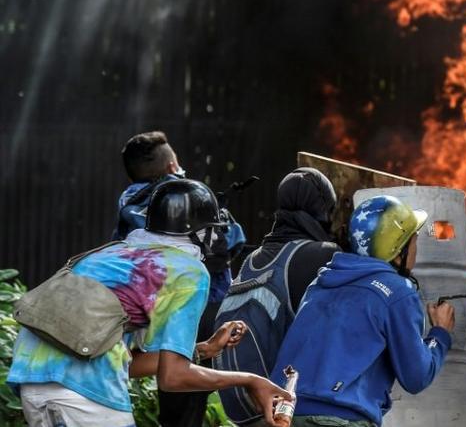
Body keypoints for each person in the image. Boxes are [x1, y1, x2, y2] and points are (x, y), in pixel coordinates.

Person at [8, 179, 290, 427]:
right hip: (85, 391)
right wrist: (250, 380)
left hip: (32, 379)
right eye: (213, 230)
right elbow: (173, 379)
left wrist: (202, 350)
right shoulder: (188, 271)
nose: (217, 238)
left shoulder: (113, 253)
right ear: (200, 233)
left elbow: (124, 362)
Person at [271, 195, 456, 427]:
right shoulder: (397, 291)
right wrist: (440, 334)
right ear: (399, 249)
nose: (416, 248)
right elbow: (416, 376)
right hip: (338, 418)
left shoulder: (321, 282)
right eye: (414, 240)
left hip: (283, 414)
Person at [113, 131, 246, 426]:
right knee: (188, 395)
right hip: (199, 305)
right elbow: (234, 239)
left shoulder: (128, 203)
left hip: (150, 314)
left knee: (171, 398)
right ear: (172, 165)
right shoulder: (186, 195)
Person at [214, 167, 342, 425]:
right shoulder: (323, 255)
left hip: (244, 409)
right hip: (288, 410)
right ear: (324, 208)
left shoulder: (254, 259)